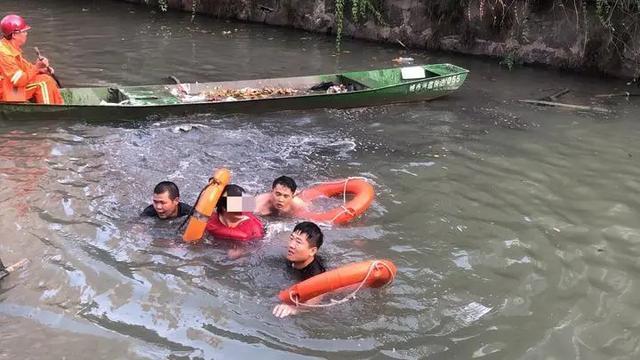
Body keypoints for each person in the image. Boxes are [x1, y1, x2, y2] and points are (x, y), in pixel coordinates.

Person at [0, 14, 63, 104]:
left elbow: (24, 68)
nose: (26, 34)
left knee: (44, 77)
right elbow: (18, 80)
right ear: (14, 34)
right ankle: (49, 114)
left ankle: (58, 106)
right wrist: (36, 68)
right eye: (24, 31)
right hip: (4, 93)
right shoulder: (4, 53)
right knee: (44, 82)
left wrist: (41, 70)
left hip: (9, 87)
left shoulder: (9, 47)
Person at [272, 221, 325, 318]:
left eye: (298, 242)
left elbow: (314, 299)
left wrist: (294, 309)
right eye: (291, 238)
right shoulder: (292, 257)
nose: (291, 245)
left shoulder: (315, 274)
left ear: (312, 251)